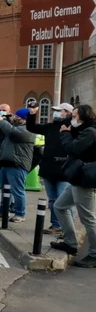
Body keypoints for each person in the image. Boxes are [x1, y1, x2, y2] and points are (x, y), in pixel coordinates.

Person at [51, 105, 96, 268]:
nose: (72, 119)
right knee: (60, 206)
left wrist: (65, 133)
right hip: (77, 177)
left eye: (74, 116)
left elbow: (74, 148)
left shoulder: (90, 132)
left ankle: (94, 254)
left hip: (85, 179)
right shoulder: (84, 130)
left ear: (83, 117)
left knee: (88, 218)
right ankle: (70, 243)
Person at [27, 103, 72, 234]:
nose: (55, 113)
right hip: (48, 169)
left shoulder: (72, 128)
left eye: (59, 111)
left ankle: (67, 229)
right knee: (52, 200)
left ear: (68, 113)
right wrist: (32, 114)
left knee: (62, 201)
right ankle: (56, 225)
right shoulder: (50, 127)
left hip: (64, 170)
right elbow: (31, 127)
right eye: (54, 111)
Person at [0, 108, 35, 222]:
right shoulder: (16, 127)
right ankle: (3, 210)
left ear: (25, 119)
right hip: (6, 163)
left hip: (18, 164)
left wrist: (1, 121)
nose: (16, 118)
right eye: (15, 116)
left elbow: (13, 133)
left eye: (18, 117)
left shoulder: (28, 129)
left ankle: (20, 213)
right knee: (5, 190)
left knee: (17, 191)